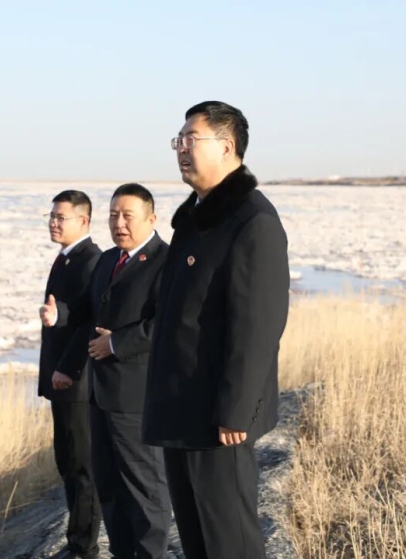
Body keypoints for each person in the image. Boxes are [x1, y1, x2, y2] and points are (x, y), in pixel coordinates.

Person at [142, 101, 290, 559]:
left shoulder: (252, 221)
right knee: (197, 539)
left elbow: (258, 326)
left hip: (217, 417)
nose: (181, 149)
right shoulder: (197, 218)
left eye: (192, 140)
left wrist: (236, 409)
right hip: (181, 407)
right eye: (179, 141)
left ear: (226, 147)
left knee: (230, 540)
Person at [41, 183, 172, 559]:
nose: (119, 223)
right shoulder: (109, 259)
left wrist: (116, 344)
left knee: (145, 490)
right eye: (114, 215)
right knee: (110, 488)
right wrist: (60, 314)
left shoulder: (166, 261)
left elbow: (168, 323)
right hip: (100, 395)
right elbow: (87, 308)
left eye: (128, 216)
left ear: (151, 218)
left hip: (137, 397)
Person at [37, 190, 102, 559]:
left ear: (83, 221)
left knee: (81, 465)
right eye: (52, 216)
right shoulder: (66, 258)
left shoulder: (90, 260)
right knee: (67, 460)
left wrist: (68, 368)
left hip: (75, 382)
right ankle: (76, 540)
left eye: (61, 217)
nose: (53, 223)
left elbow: (91, 321)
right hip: (61, 380)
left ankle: (84, 547)